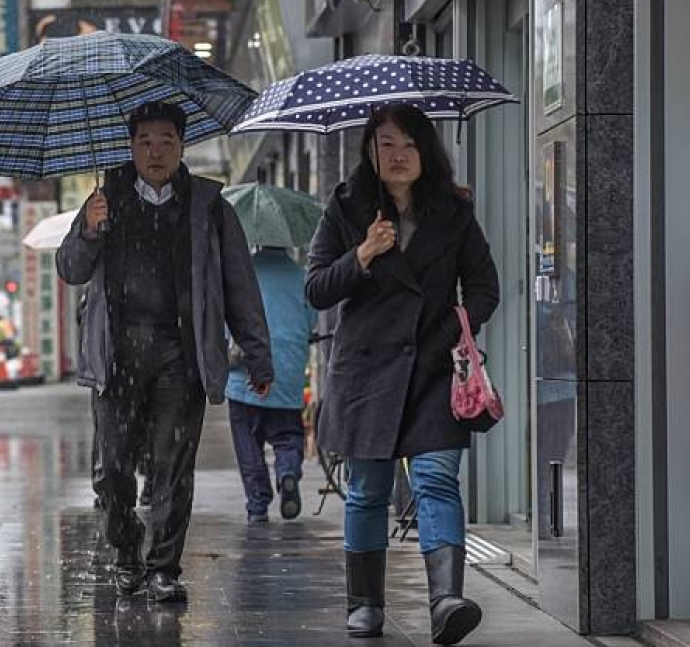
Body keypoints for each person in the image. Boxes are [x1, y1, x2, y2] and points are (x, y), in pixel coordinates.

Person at [56, 100, 273, 602]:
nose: (156, 151)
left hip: (181, 354)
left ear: (182, 146)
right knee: (111, 471)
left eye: (167, 141)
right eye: (146, 141)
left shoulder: (208, 206)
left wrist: (257, 356)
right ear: (131, 147)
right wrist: (88, 227)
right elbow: (70, 268)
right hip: (118, 357)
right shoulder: (105, 197)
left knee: (171, 465)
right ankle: (127, 553)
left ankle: (163, 568)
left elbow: (238, 285)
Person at [306, 103, 500, 643]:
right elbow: (317, 287)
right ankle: (365, 602)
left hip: (435, 367)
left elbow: (485, 286)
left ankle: (446, 600)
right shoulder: (345, 208)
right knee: (368, 489)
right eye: (386, 143)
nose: (398, 155)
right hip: (367, 371)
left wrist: (459, 327)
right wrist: (363, 254)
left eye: (410, 144)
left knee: (437, 478)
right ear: (369, 150)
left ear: (426, 152)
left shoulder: (453, 212)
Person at [226, 247, 316, 523]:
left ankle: (257, 503)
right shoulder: (300, 276)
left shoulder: (241, 272)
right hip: (286, 370)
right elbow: (310, 320)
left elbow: (226, 317)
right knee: (288, 432)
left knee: (247, 440)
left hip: (246, 370)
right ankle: (287, 471)